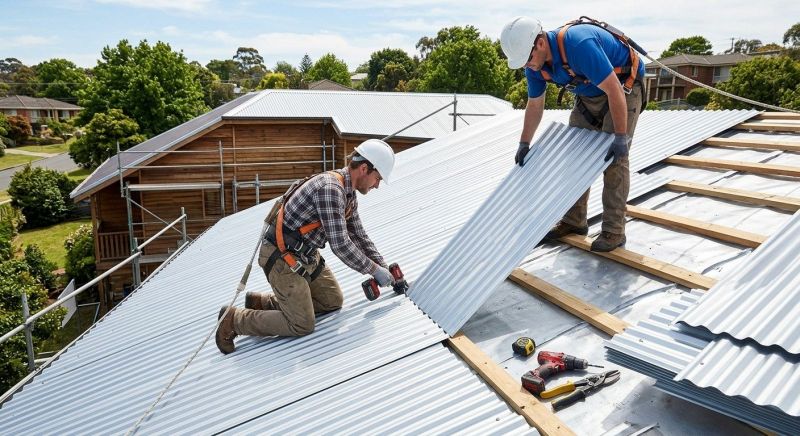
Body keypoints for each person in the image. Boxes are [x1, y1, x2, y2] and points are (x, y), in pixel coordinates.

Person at [216, 139, 396, 354]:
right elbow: (341, 245)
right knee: (302, 324)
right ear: (364, 169)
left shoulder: (349, 194)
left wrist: (382, 265)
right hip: (282, 258)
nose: (377, 185)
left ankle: (262, 303)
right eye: (377, 179)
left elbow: (358, 234)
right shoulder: (330, 189)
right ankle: (234, 320)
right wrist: (374, 271)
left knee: (332, 301)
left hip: (306, 254)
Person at [500, 16, 645, 252]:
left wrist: (620, 138)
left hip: (623, 86)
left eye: (527, 59)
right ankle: (574, 221)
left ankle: (614, 231)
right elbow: (535, 104)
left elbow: (614, 90)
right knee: (575, 153)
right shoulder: (534, 65)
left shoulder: (578, 45)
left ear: (539, 43)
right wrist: (524, 143)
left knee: (614, 159)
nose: (527, 66)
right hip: (588, 94)